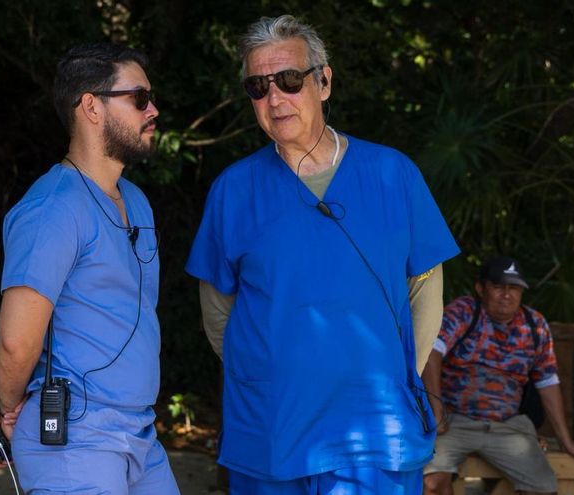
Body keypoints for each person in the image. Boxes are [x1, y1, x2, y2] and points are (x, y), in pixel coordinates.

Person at [185, 15, 460, 495]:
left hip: (375, 436)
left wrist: (391, 377)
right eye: (258, 86)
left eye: (290, 80)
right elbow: (217, 310)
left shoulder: (393, 174)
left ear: (324, 81)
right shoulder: (234, 190)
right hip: (270, 434)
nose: (275, 98)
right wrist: (266, 376)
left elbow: (426, 291)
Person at [0, 42, 179, 495]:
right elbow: (15, 341)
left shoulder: (138, 202)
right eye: (139, 98)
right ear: (91, 106)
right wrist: (11, 409)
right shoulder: (52, 208)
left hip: (140, 434)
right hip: (75, 440)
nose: (154, 109)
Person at [422, 256, 574, 495]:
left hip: (508, 425)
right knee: (431, 483)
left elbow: (548, 382)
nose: (507, 294)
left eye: (514, 288)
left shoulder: (534, 325)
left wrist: (566, 441)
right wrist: (436, 409)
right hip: (455, 421)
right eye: (498, 287)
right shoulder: (464, 312)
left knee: (543, 488)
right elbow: (431, 353)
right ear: (481, 288)